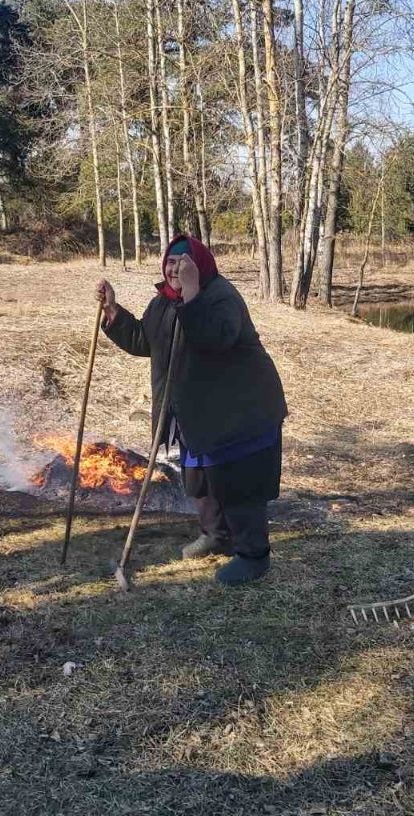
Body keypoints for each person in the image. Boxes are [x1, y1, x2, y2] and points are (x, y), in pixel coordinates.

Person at [97, 235, 287, 585]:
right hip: (198, 413)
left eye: (183, 263)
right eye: (170, 261)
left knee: (238, 484)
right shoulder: (165, 302)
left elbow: (213, 340)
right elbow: (145, 341)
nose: (175, 268)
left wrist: (192, 295)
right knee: (201, 479)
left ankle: (253, 556)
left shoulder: (220, 297)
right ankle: (217, 536)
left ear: (199, 265)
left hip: (240, 413)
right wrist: (114, 312)